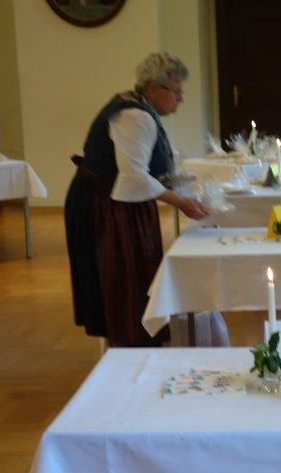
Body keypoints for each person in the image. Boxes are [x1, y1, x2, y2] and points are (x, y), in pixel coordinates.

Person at [64, 52, 208, 347]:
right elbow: (134, 176)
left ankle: (136, 343)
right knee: (124, 280)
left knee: (132, 278)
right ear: (153, 89)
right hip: (107, 206)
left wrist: (178, 187)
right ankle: (131, 349)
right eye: (177, 92)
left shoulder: (138, 106)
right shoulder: (135, 116)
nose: (181, 99)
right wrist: (180, 202)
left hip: (118, 201)